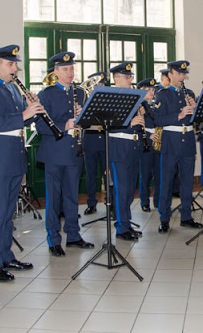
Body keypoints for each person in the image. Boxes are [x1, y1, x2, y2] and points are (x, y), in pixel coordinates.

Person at [0, 45, 44, 282]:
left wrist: (33, 110)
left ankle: (6, 256)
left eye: (15, 64)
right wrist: (24, 115)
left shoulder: (13, 89)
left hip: (13, 155)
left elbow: (20, 122)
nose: (15, 69)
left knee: (8, 212)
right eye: (11, 64)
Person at [37, 51, 94, 257]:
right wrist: (65, 124)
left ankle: (73, 235)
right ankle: (53, 239)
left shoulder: (80, 93)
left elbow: (88, 121)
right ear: (56, 71)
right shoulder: (46, 94)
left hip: (75, 151)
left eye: (72, 69)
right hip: (55, 152)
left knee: (72, 196)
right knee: (54, 198)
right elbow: (41, 126)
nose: (70, 73)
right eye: (65, 69)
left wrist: (83, 118)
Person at [153, 60, 203, 233]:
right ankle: (164, 218)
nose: (182, 77)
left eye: (184, 74)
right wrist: (179, 114)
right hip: (171, 142)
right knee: (166, 182)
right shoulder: (162, 94)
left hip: (187, 140)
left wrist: (196, 109)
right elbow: (158, 120)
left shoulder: (189, 93)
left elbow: (196, 120)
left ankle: (186, 216)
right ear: (170, 75)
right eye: (179, 74)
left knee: (188, 182)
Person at [107, 62, 144, 240]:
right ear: (115, 79)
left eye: (130, 77)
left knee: (129, 190)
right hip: (119, 148)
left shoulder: (134, 97)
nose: (130, 80)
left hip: (132, 147)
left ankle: (127, 223)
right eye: (126, 77)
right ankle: (121, 228)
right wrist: (130, 123)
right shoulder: (108, 98)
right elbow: (107, 126)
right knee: (121, 190)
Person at [82, 71, 108, 215]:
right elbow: (83, 124)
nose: (100, 86)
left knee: (107, 174)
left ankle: (111, 203)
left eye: (102, 84)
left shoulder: (109, 101)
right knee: (91, 174)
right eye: (97, 84)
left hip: (104, 138)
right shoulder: (85, 100)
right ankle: (91, 203)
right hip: (90, 138)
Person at [137, 78, 160, 212]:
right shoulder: (138, 105)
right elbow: (135, 126)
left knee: (158, 174)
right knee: (145, 175)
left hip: (157, 141)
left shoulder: (155, 105)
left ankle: (157, 200)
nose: (151, 92)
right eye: (148, 90)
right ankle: (144, 201)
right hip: (145, 143)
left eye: (152, 90)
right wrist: (148, 135)